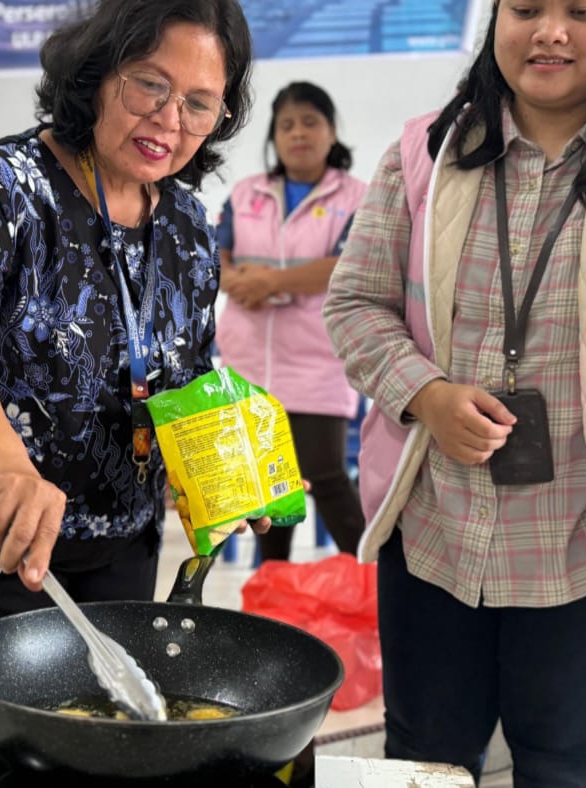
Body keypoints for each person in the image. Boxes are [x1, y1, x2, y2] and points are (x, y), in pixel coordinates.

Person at [0, 0, 264, 727]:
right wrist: (2, 463)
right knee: (10, 747)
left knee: (113, 739)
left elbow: (187, 369)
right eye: (150, 85)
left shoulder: (189, 223)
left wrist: (222, 471)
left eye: (199, 104)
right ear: (97, 74)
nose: (169, 120)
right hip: (1, 536)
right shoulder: (4, 185)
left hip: (124, 533)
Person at [324, 1, 586, 785]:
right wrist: (426, 393)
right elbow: (355, 303)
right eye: (525, 8)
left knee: (568, 768)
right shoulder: (426, 153)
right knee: (422, 763)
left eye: (583, 10)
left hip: (584, 554)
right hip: (435, 538)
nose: (549, 31)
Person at [215, 81, 367, 562]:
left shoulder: (358, 196)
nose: (298, 133)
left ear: (332, 131)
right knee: (267, 492)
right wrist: (233, 280)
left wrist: (269, 281)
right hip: (248, 365)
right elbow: (215, 253)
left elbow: (345, 265)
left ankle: (376, 584)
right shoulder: (246, 193)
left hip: (318, 361)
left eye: (310, 122)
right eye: (286, 125)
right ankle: (272, 592)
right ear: (274, 137)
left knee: (325, 475)